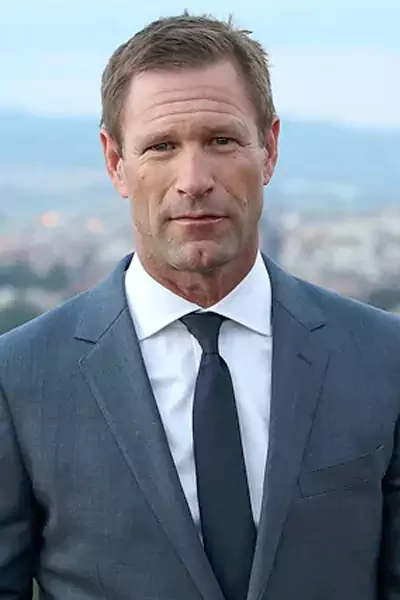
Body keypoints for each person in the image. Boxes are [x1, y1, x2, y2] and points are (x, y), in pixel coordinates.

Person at [1, 12, 400, 600]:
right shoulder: (18, 378)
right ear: (115, 163)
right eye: (161, 146)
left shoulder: (383, 357)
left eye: (221, 140)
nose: (193, 179)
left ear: (268, 149)